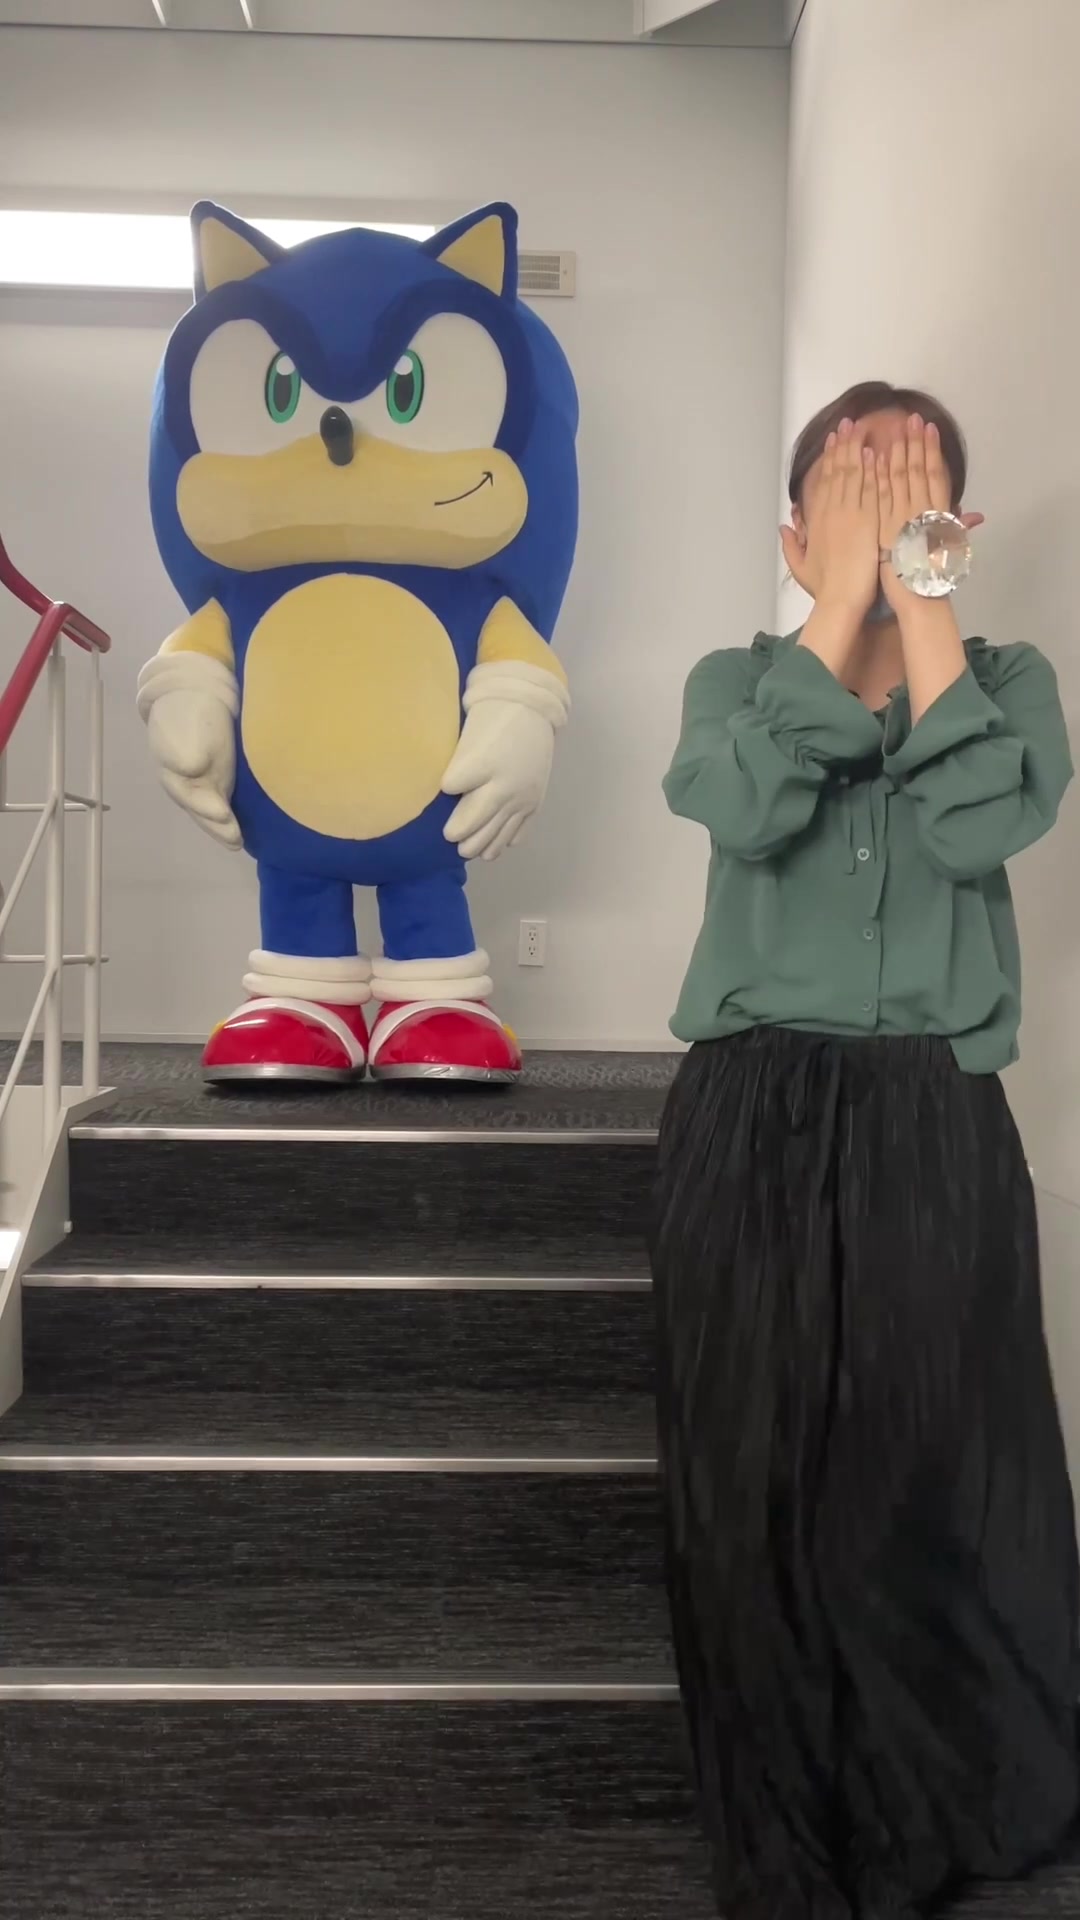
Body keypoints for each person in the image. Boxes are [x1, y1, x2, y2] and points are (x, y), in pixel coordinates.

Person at [652, 381, 1079, 1920]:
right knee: (753, 1476)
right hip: (750, 1112)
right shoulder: (736, 683)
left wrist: (921, 598)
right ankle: (785, 1835)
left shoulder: (1007, 684)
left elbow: (978, 828)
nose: (890, 536)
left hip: (933, 1119)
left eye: (919, 511)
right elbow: (743, 807)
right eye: (853, 509)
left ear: (958, 530)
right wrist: (838, 605)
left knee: (930, 1471)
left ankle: (941, 1816)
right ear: (793, 536)